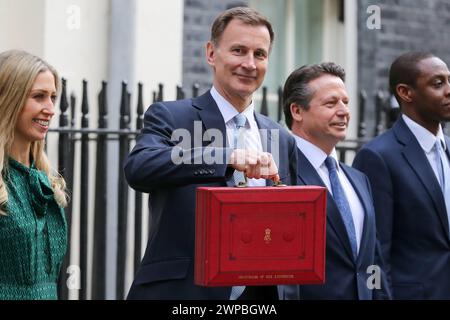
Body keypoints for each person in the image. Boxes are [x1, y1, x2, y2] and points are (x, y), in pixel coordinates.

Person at [124, 7, 297, 300]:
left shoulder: (280, 137)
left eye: (260, 54)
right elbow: (139, 168)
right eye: (239, 50)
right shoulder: (171, 115)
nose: (249, 64)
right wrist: (225, 156)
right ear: (211, 54)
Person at [279, 63, 390, 299]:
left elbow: (373, 262)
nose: (344, 111)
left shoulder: (358, 180)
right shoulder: (280, 176)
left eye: (346, 102)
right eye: (331, 103)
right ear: (297, 111)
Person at [353, 52, 450, 299]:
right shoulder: (378, 157)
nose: (448, 90)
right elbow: (376, 251)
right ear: (406, 93)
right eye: (438, 84)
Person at [0, 50, 68, 300]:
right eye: (39, 97)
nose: (50, 109)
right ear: (10, 99)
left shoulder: (45, 182)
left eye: (53, 97)